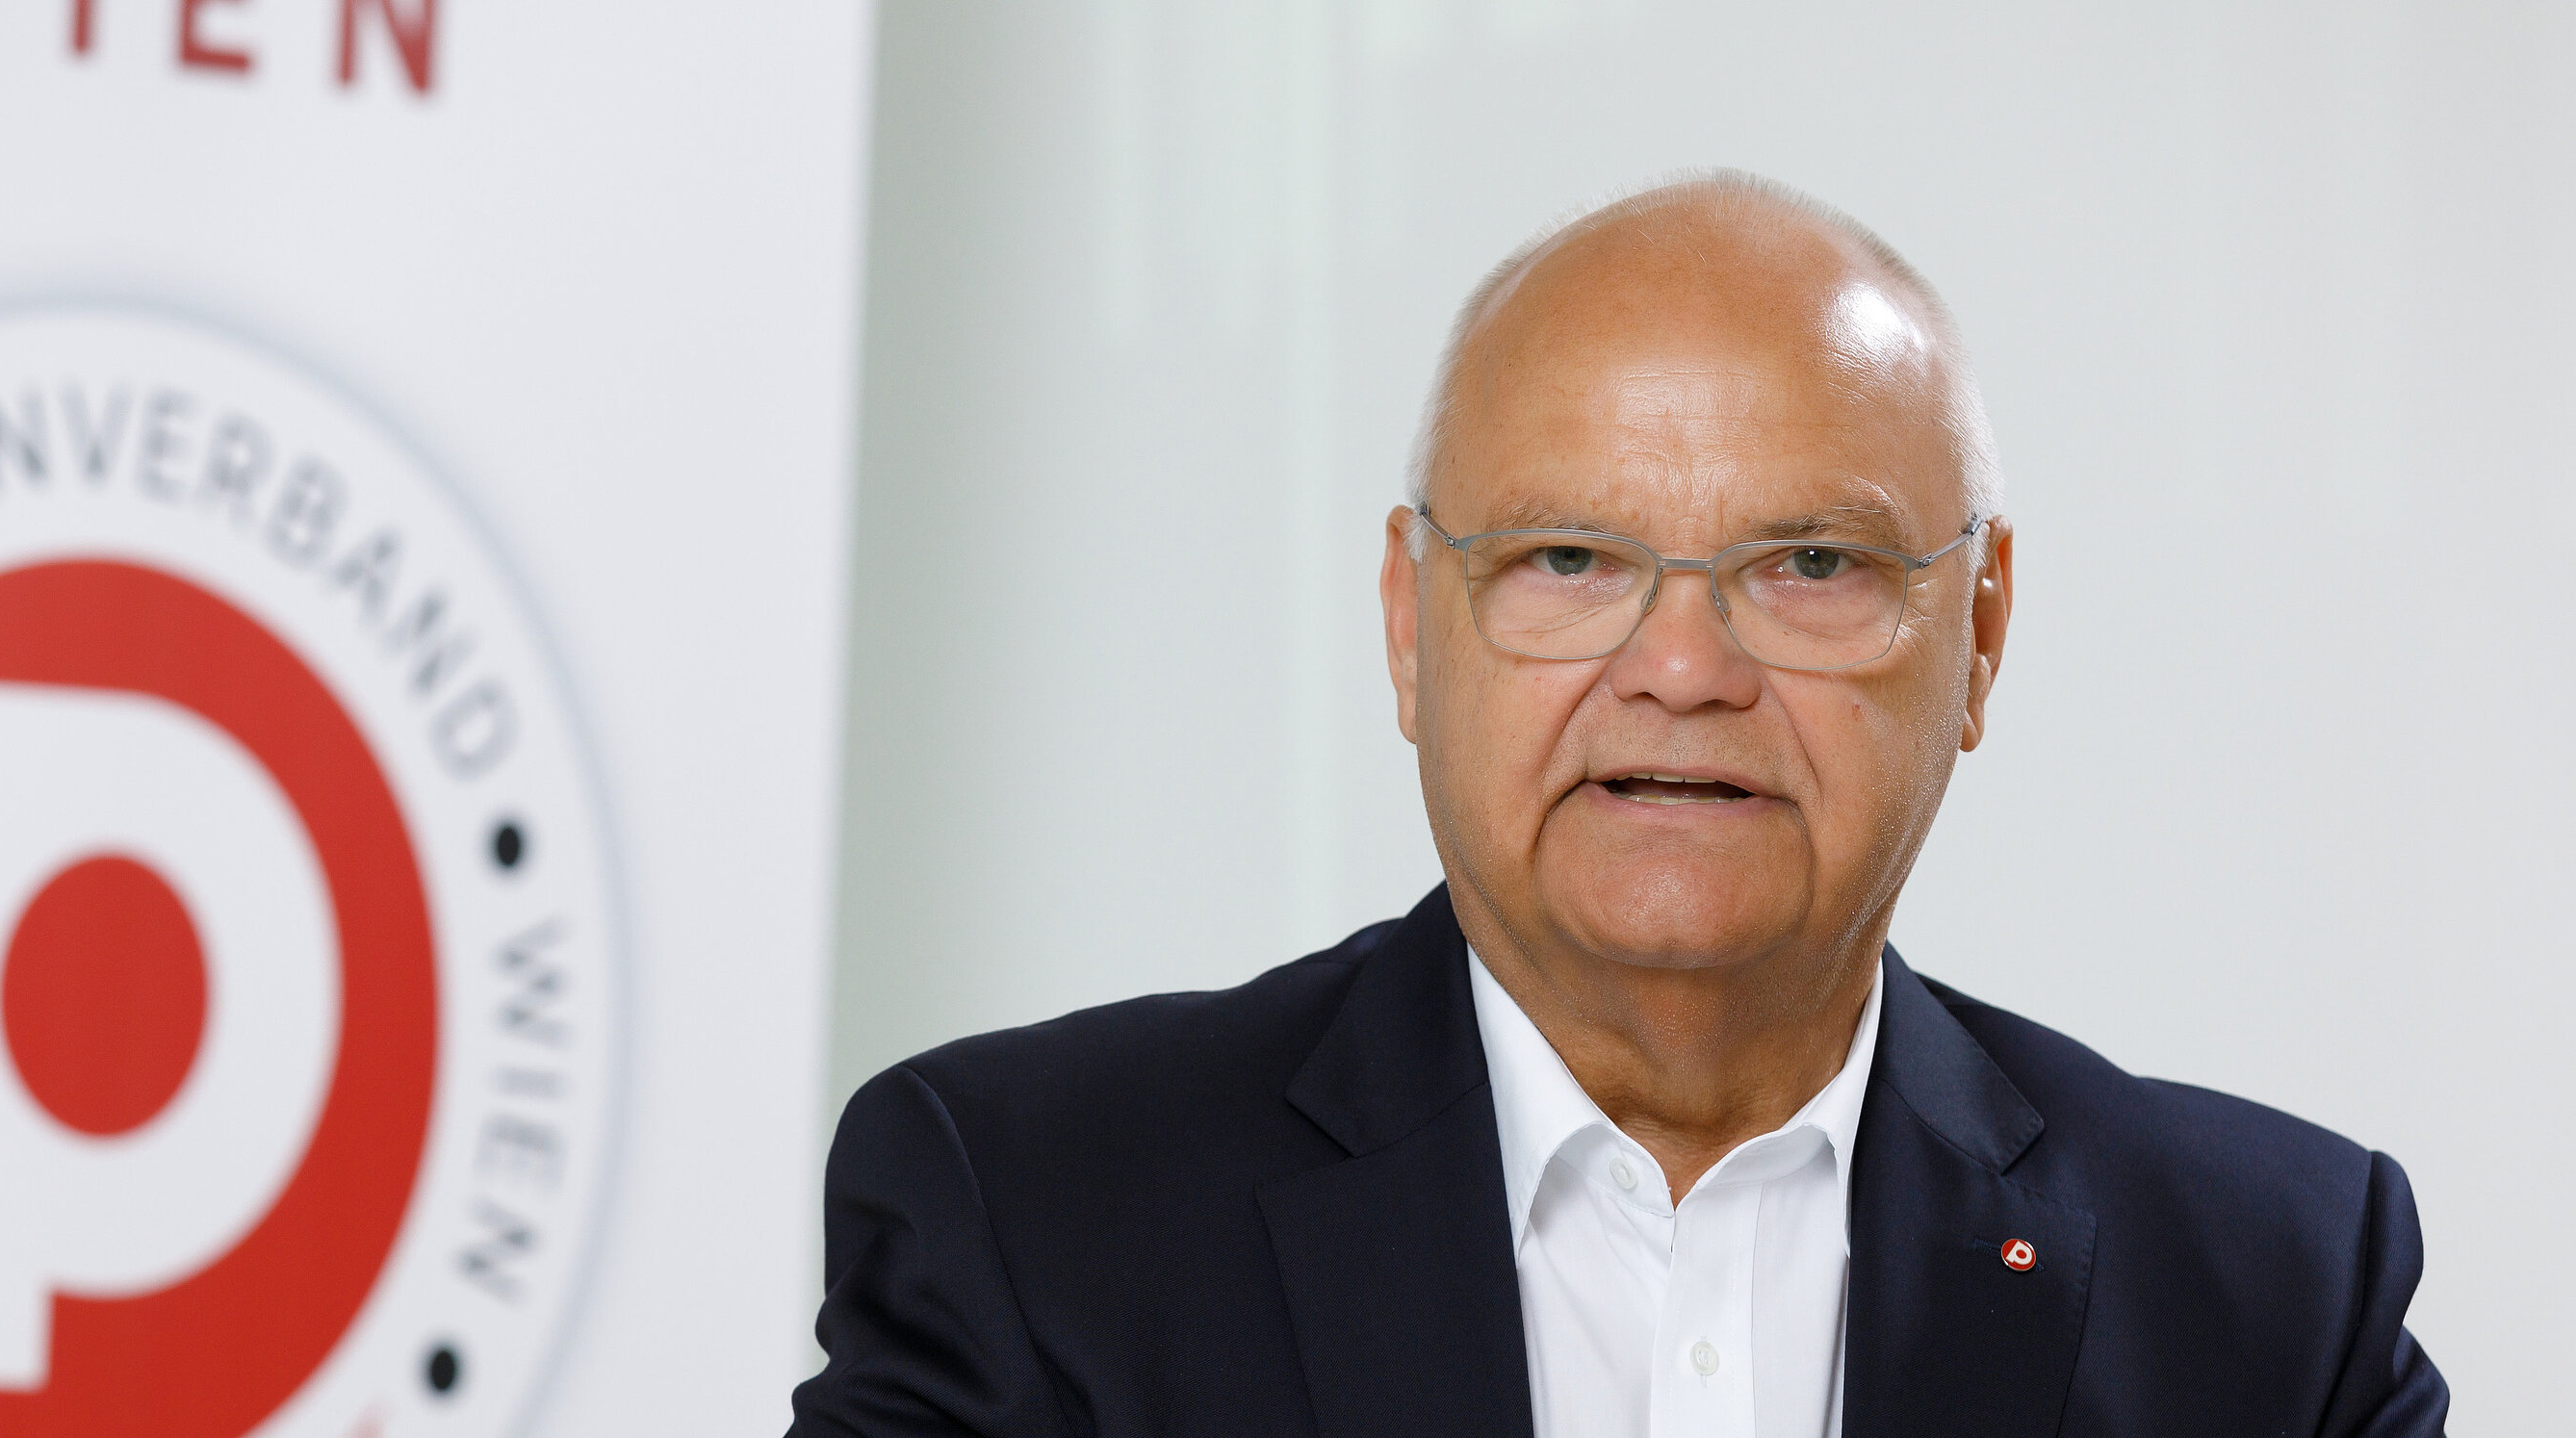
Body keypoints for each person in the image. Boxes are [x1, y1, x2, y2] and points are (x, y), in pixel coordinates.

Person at [791, 170, 2449, 1438]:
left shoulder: (2276, 1295)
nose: (1681, 667)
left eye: (1812, 563)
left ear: (1982, 635)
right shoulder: (1027, 1217)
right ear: (1410, 624)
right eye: (1570, 557)